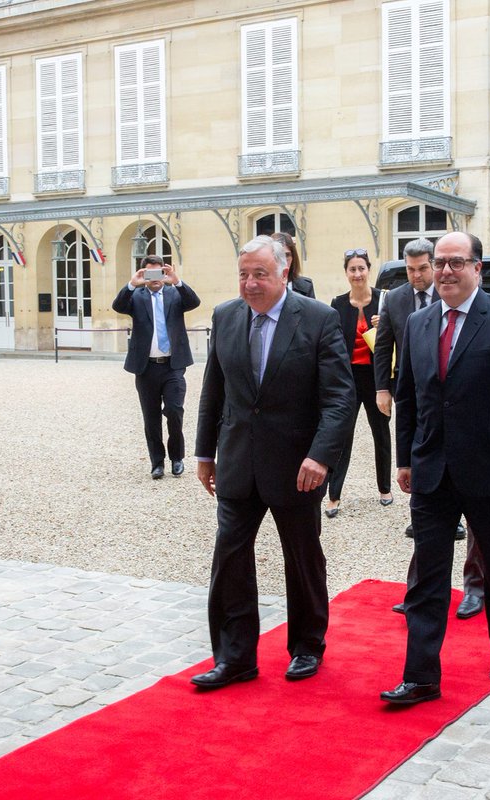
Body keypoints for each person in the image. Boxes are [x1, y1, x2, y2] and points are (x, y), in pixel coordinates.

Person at [381, 231, 490, 705]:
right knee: (427, 575)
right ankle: (420, 676)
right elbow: (408, 398)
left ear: (478, 268)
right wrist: (405, 459)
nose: (447, 271)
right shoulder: (417, 323)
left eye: (457, 262)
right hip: (431, 468)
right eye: (440, 263)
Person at [192, 235, 354, 688]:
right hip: (239, 461)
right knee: (229, 558)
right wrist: (206, 453)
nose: (249, 283)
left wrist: (321, 457)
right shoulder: (225, 316)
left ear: (285, 272)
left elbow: (339, 398)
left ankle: (307, 646)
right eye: (243, 274)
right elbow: (214, 390)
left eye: (259, 274)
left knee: (302, 559)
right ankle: (235, 657)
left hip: (297, 466)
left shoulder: (319, 319)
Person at [374, 238, 482, 619]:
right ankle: (419, 592)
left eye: (426, 267)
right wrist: (382, 388)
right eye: (417, 269)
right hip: (427, 421)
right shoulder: (400, 303)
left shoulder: (467, 302)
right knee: (428, 523)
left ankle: (475, 588)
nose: (424, 275)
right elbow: (386, 348)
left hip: (472, 434)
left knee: (478, 524)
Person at [111, 255, 201, 479]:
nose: (155, 278)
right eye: (150, 274)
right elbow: (118, 306)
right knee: (151, 418)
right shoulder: (137, 297)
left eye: (159, 273)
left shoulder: (174, 294)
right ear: (143, 274)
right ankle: (157, 462)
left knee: (174, 411)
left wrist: (177, 280)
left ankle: (177, 458)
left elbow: (194, 302)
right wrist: (132, 284)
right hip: (146, 367)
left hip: (173, 366)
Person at [324, 248, 392, 518]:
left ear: (368, 270)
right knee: (341, 435)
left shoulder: (384, 302)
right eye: (352, 269)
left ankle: (385, 489)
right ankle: (334, 495)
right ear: (346, 273)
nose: (357, 274)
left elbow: (396, 337)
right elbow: (329, 344)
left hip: (377, 378)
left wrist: (384, 323)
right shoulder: (337, 304)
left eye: (361, 268)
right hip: (347, 378)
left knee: (381, 433)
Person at [271, 231, 315, 299]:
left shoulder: (305, 286)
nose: (283, 260)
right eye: (279, 255)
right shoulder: (259, 285)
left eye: (287, 255)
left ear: (293, 257)